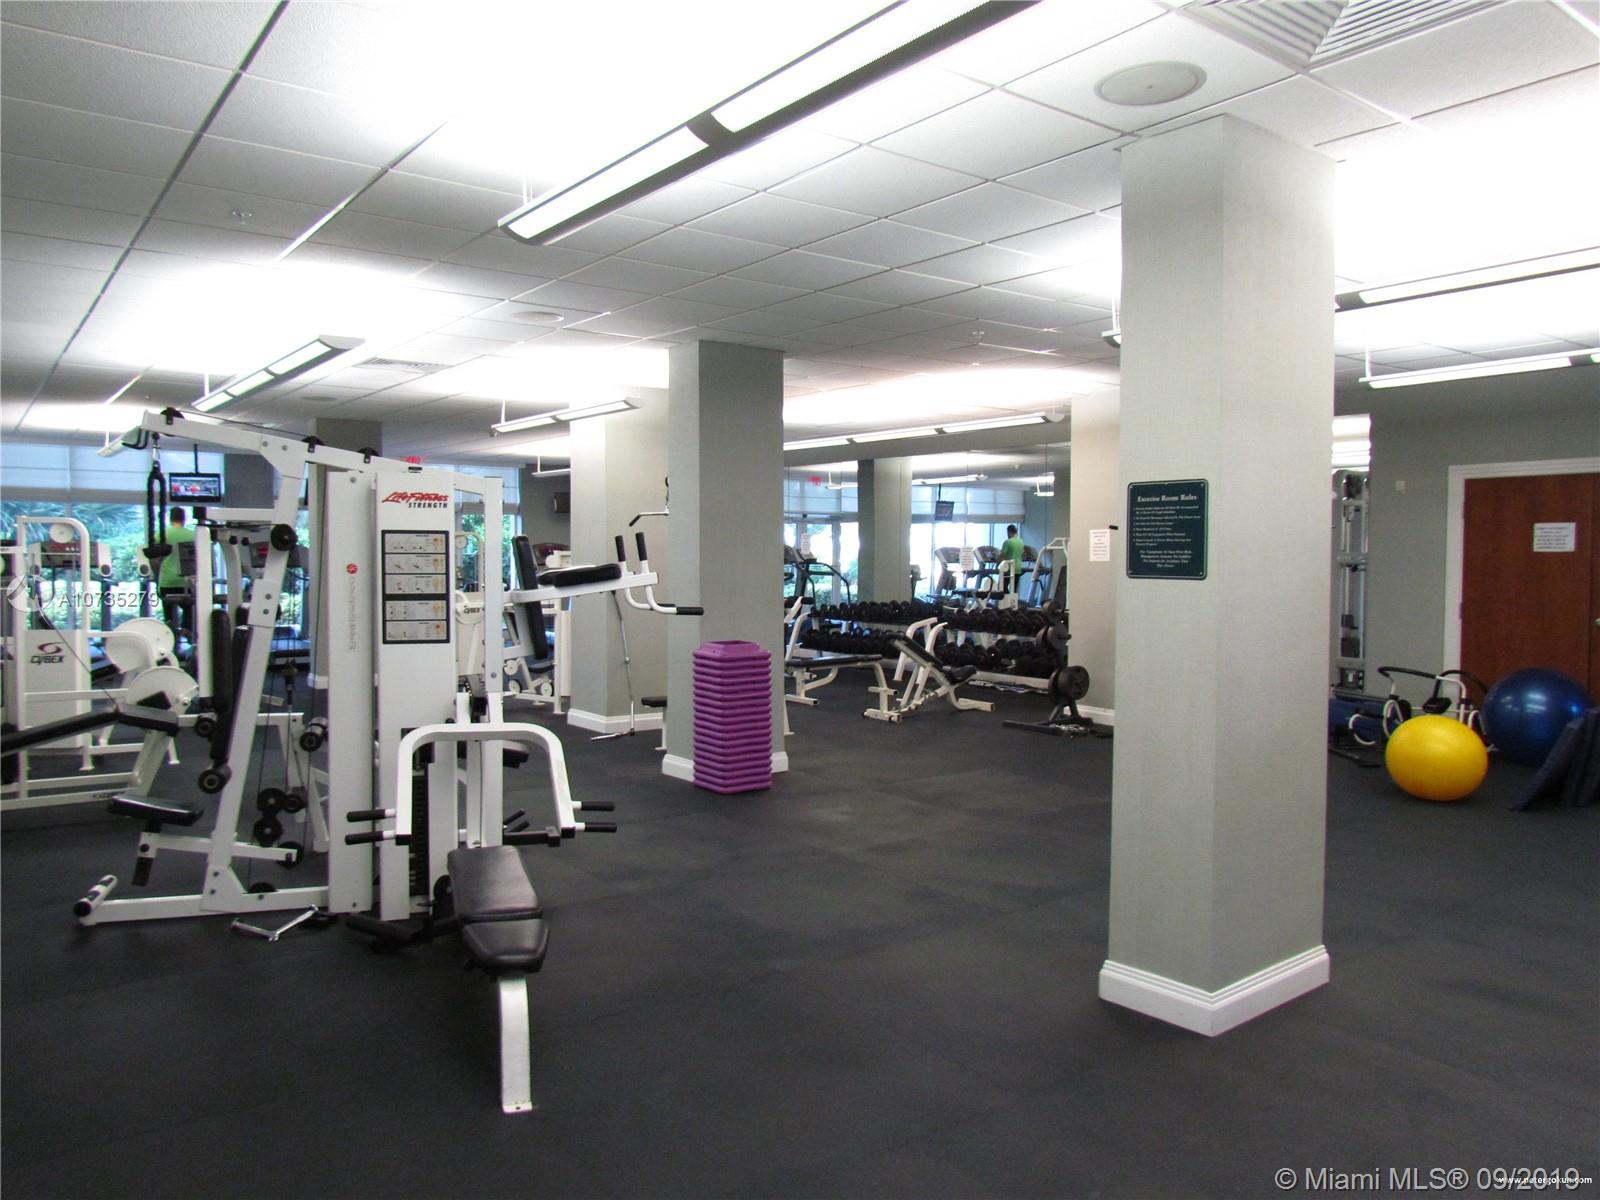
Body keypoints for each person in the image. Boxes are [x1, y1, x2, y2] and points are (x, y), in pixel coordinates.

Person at [158, 506, 196, 643]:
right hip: (186, 582)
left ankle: (171, 636)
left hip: (167, 581)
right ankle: (187, 630)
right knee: (189, 608)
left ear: (170, 518)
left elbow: (153, 558)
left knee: (169, 613)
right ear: (184, 519)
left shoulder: (162, 535)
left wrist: (157, 574)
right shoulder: (193, 535)